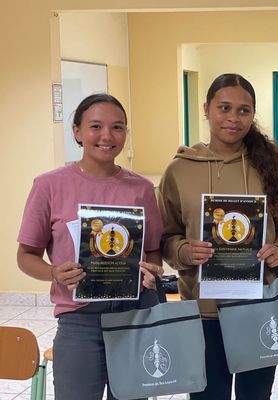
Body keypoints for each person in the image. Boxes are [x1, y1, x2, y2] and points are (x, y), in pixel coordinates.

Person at [158, 73, 278, 400]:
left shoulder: (272, 168)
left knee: (255, 395)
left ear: (253, 115)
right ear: (207, 109)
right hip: (202, 310)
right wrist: (183, 250)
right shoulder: (179, 170)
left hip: (258, 307)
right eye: (224, 108)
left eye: (243, 110)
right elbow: (166, 235)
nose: (233, 118)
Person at [16, 94, 164, 400]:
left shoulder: (142, 189)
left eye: (117, 127)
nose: (107, 136)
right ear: (77, 131)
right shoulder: (50, 185)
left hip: (133, 315)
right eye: (96, 126)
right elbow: (26, 256)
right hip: (79, 321)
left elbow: (152, 250)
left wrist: (153, 270)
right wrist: (54, 272)